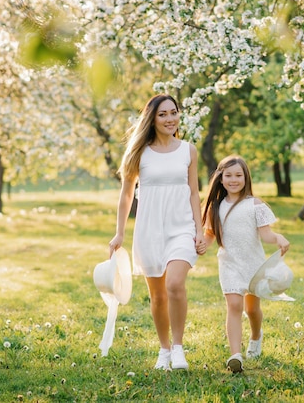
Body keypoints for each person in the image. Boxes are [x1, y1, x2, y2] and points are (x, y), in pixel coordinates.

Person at [108, 94, 206, 370]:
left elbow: (194, 192)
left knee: (174, 284)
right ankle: (163, 350)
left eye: (173, 112)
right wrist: (119, 234)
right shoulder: (139, 152)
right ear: (152, 118)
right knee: (158, 296)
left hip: (181, 227)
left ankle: (178, 348)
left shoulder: (189, 150)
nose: (169, 119)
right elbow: (126, 195)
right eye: (163, 114)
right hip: (149, 230)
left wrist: (199, 230)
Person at [201, 155, 289, 373]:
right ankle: (235, 355)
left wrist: (278, 238)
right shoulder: (215, 206)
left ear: (245, 177)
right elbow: (211, 234)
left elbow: (266, 235)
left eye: (238, 175)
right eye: (228, 175)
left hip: (253, 265)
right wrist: (203, 244)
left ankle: (256, 336)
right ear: (220, 179)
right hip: (229, 264)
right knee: (234, 306)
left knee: (252, 309)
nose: (233, 180)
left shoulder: (255, 204)